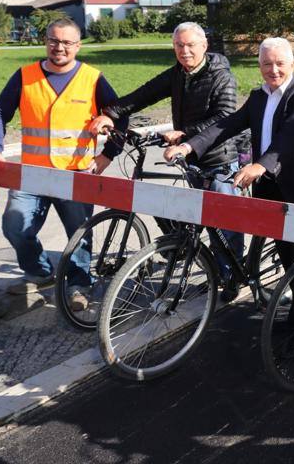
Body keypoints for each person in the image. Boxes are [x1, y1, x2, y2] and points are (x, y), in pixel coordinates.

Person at [88, 21, 245, 295]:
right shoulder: (178, 74)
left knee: (225, 224)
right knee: (201, 215)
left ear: (204, 46)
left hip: (219, 157)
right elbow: (142, 96)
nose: (185, 51)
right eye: (179, 45)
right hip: (190, 157)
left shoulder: (221, 76)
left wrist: (185, 132)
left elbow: (225, 118)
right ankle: (199, 256)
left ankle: (231, 277)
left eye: (191, 45)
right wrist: (110, 114)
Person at [163, 37, 294, 297]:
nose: (273, 70)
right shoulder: (259, 96)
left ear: (293, 64)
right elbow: (228, 125)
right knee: (285, 250)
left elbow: (292, 134)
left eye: (280, 63)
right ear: (259, 66)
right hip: (270, 187)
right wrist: (188, 146)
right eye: (266, 64)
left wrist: (260, 165)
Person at [0, 18, 125, 304]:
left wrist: (107, 155)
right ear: (46, 41)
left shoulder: (93, 79)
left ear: (78, 46)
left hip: (76, 173)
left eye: (67, 42)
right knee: (14, 226)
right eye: (54, 41)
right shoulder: (25, 76)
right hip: (32, 174)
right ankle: (39, 272)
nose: (59, 47)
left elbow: (122, 116)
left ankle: (80, 285)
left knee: (79, 235)